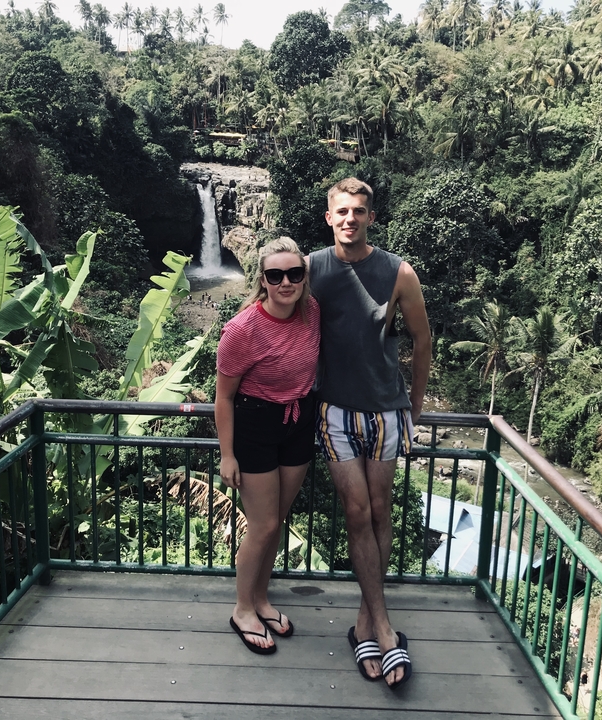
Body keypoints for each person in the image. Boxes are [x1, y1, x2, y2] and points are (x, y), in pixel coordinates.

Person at [308, 177, 431, 689]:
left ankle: (363, 622)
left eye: (359, 211)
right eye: (342, 211)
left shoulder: (398, 272)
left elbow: (422, 340)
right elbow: (276, 315)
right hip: (335, 410)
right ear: (329, 217)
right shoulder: (312, 268)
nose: (350, 219)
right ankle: (383, 628)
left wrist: (414, 408)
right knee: (357, 512)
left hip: (385, 411)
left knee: (381, 511)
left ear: (371, 218)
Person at [215, 237, 321, 655]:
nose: (286, 282)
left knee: (276, 521)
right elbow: (223, 398)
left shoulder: (312, 312)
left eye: (294, 273)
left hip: (299, 421)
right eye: (275, 275)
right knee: (261, 525)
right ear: (262, 280)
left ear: (304, 277)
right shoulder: (242, 330)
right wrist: (228, 455)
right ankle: (242, 609)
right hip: (255, 426)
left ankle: (261, 599)